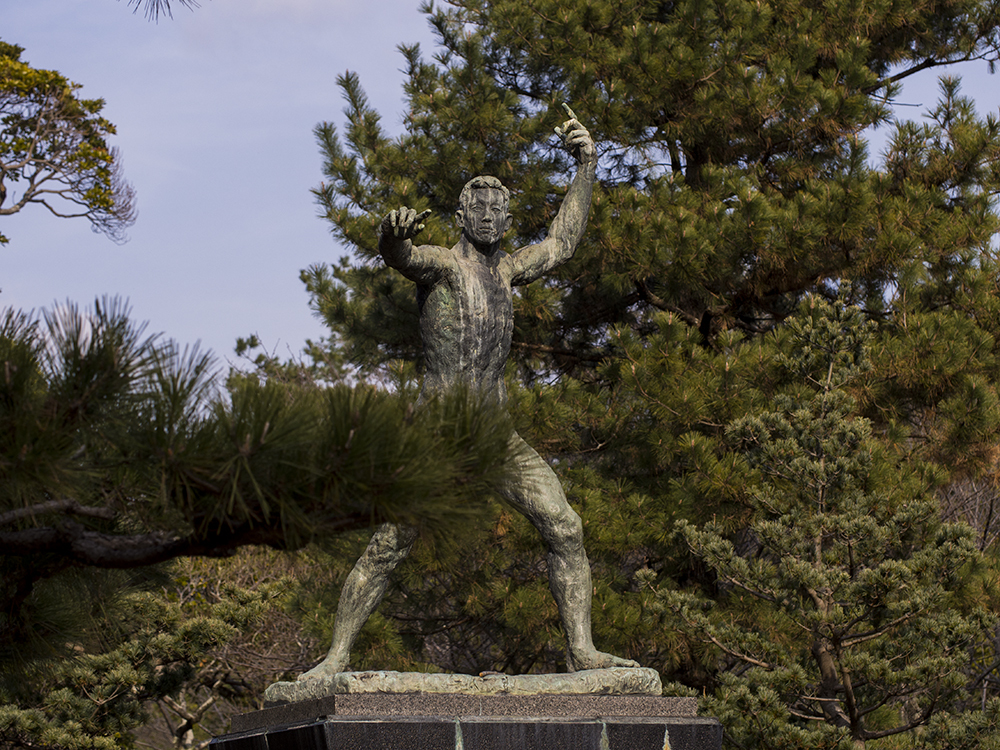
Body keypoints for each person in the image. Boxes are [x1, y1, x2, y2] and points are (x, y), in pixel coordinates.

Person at [299, 108, 637, 680]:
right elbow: (400, 255)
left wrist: (586, 164)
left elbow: (561, 241)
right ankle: (335, 658)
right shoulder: (442, 267)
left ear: (505, 218)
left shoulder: (507, 272)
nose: (488, 215)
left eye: (498, 208)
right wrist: (392, 233)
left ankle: (582, 651)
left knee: (565, 526)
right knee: (388, 546)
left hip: (496, 438)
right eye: (477, 207)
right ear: (459, 215)